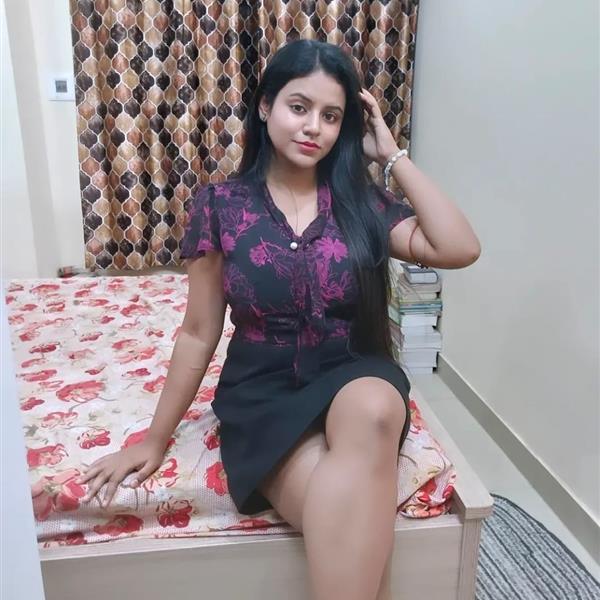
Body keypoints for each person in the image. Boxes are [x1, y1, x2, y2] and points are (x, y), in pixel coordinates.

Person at [77, 39, 480, 600]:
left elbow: (459, 247)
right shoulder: (220, 206)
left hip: (351, 370)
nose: (314, 126)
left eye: (331, 116)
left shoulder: (361, 202)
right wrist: (154, 438)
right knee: (353, 528)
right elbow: (198, 332)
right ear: (265, 106)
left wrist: (391, 156)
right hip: (263, 391)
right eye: (299, 107)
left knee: (374, 410)